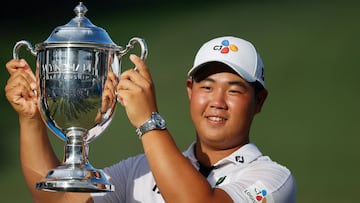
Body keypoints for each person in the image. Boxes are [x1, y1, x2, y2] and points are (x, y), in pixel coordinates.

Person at [5, 36, 296, 203]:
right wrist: (31, 120)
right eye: (206, 87)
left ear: (259, 101)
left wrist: (148, 121)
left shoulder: (273, 179)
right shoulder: (140, 171)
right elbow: (58, 201)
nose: (217, 101)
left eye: (234, 90)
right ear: (190, 92)